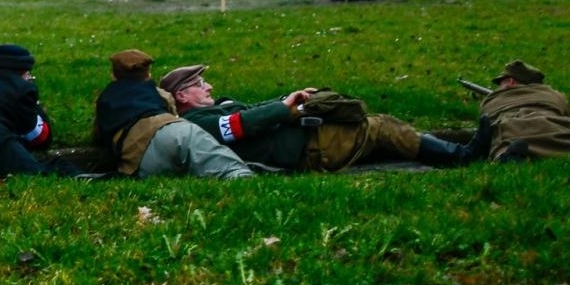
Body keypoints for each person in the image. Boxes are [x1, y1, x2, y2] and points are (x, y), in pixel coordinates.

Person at [160, 64, 466, 172]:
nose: (208, 86)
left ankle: (450, 149)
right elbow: (241, 124)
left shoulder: (211, 111)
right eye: (199, 85)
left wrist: (286, 100)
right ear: (183, 97)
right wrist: (283, 108)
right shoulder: (198, 126)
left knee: (367, 129)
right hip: (305, 150)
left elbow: (249, 111)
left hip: (304, 142)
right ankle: (461, 156)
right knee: (381, 127)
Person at [92, 50, 251, 180]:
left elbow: (100, 134)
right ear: (148, 74)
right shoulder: (158, 93)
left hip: (138, 153)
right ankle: (244, 181)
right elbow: (173, 114)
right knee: (226, 168)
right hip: (176, 131)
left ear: (114, 75)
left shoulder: (105, 99)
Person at [0, 45, 81, 182]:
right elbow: (39, 137)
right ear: (25, 72)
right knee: (39, 175)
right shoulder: (23, 88)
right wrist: (37, 108)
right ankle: (79, 177)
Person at [461, 61, 570, 162]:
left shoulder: (491, 100)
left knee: (504, 149)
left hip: (514, 133)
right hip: (560, 132)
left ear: (510, 82)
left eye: (500, 83)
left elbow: (486, 127)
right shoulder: (555, 96)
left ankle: (511, 159)